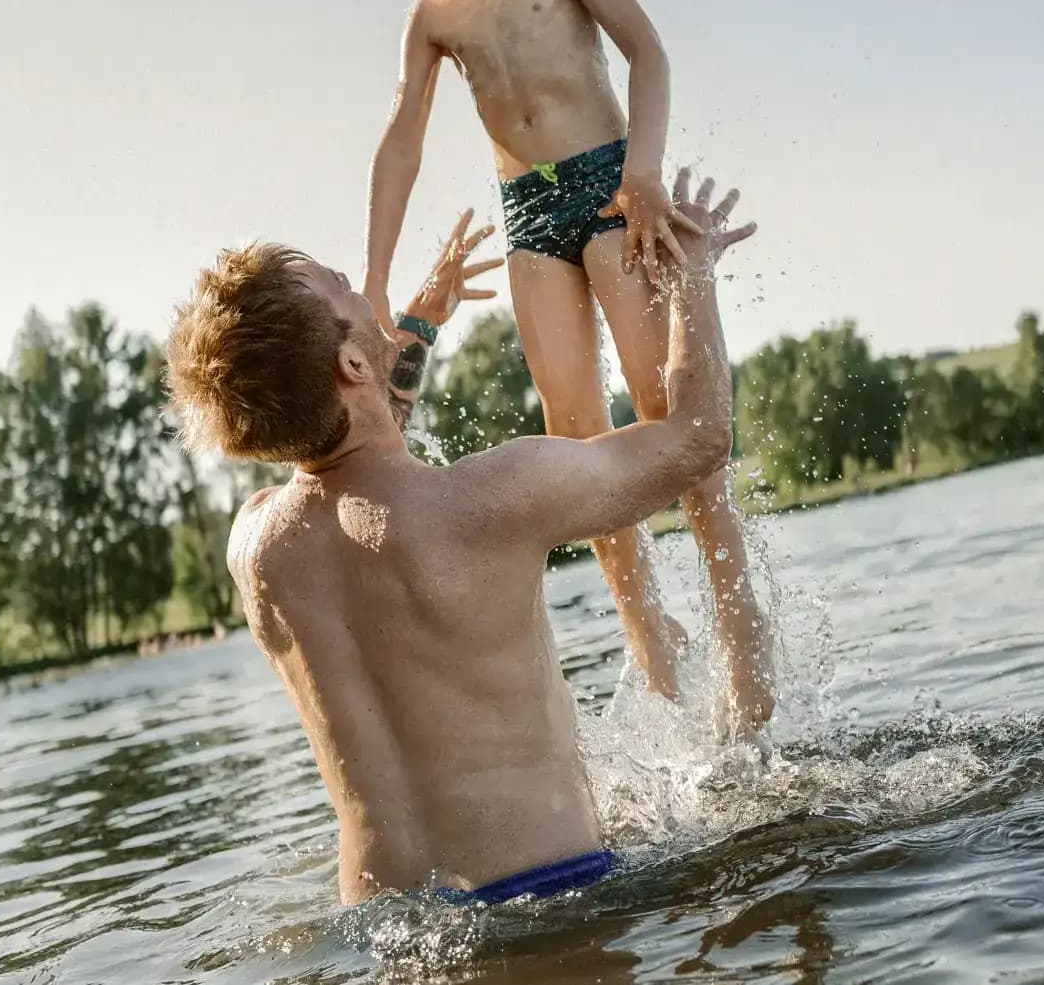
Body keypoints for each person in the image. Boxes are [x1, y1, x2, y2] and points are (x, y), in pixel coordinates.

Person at [167, 172, 751, 905]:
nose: (361, 291)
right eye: (347, 287)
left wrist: (414, 329)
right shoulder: (488, 498)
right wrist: (692, 275)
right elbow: (696, 439)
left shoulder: (257, 550)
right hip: (550, 894)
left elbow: (352, 465)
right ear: (350, 366)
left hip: (385, 930)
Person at [361, 0, 771, 731]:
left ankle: (737, 619)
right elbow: (401, 142)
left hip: (611, 186)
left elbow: (648, 50)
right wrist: (377, 280)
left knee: (666, 413)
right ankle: (648, 640)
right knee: (576, 435)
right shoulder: (432, 19)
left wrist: (645, 169)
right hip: (528, 215)